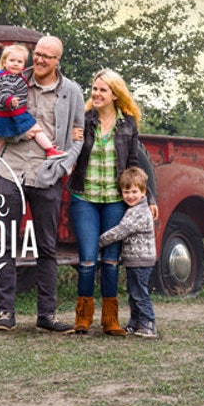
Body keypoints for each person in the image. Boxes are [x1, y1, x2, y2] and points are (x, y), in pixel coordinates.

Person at [0, 35, 84, 333]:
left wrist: (64, 165)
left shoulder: (72, 92)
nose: (40, 60)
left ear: (58, 61)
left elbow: (78, 135)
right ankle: (6, 313)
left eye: (48, 56)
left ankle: (47, 316)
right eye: (38, 54)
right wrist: (20, 135)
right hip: (11, 170)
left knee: (47, 246)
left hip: (47, 175)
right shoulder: (13, 81)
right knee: (5, 244)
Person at [66, 68, 158, 336]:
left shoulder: (128, 123)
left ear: (115, 94)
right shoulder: (82, 120)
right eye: (94, 89)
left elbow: (133, 165)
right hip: (84, 198)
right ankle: (82, 318)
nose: (96, 94)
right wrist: (71, 139)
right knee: (86, 261)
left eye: (102, 90)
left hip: (116, 201)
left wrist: (148, 196)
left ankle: (110, 320)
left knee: (110, 260)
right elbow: (69, 152)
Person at [0, 44, 67, 171]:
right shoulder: (6, 78)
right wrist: (10, 101)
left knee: (1, 139)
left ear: (23, 65)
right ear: (4, 62)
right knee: (36, 128)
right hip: (11, 113)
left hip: (4, 114)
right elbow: (3, 93)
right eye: (12, 60)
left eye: (19, 61)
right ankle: (50, 150)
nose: (15, 64)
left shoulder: (13, 76)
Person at [99, 167, 157, 338]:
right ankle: (135, 323)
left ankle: (148, 323)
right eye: (126, 192)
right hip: (134, 260)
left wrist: (100, 241)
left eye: (134, 192)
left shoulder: (139, 212)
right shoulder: (132, 209)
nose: (130, 196)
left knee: (140, 294)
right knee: (134, 294)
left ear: (143, 192)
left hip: (141, 260)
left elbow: (121, 231)